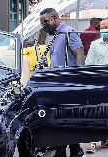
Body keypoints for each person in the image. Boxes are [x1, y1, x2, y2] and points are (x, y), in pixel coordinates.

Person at [40, 8, 85, 157]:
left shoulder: (68, 32)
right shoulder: (53, 35)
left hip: (69, 83)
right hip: (57, 83)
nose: (43, 26)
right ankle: (73, 150)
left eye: (45, 22)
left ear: (54, 18)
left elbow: (79, 55)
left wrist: (80, 81)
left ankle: (68, 151)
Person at [85, 17, 108, 153]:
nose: (105, 30)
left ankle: (105, 139)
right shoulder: (95, 44)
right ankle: (93, 141)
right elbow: (89, 64)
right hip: (97, 83)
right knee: (96, 111)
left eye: (107, 27)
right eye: (103, 27)